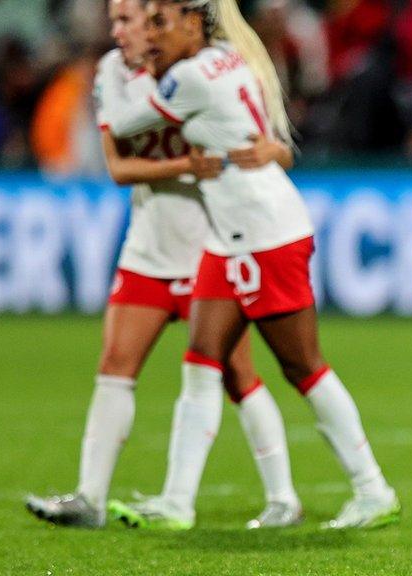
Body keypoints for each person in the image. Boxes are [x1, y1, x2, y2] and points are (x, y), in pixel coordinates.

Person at [101, 0, 400, 530]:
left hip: (266, 235)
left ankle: (373, 488)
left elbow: (125, 123)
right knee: (201, 359)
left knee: (303, 366)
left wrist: (117, 75)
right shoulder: (229, 57)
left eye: (160, 25)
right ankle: (176, 502)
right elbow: (268, 140)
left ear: (195, 22)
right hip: (229, 237)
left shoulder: (190, 77)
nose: (149, 38)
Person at [25, 0, 297, 530]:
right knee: (115, 366)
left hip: (210, 249)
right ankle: (90, 498)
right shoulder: (111, 73)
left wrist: (265, 154)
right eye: (115, 22)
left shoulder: (204, 67)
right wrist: (188, 165)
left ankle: (283, 496)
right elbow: (118, 167)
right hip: (149, 249)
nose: (119, 31)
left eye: (129, 20)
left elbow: (270, 146)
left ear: (162, 23)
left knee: (240, 375)